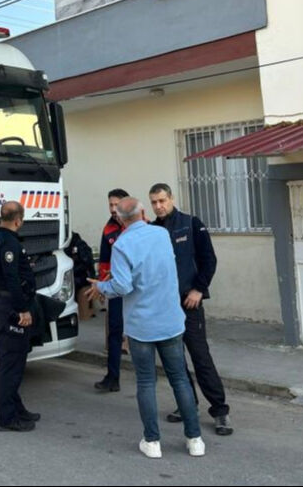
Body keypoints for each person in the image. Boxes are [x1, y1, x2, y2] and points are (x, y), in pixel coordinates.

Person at [89, 197, 205, 459]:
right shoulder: (162, 234)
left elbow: (123, 286)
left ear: (119, 219)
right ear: (143, 212)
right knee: (180, 379)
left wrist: (100, 287)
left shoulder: (121, 245)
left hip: (142, 325)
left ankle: (152, 441)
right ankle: (194, 438)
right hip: (171, 320)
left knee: (146, 382)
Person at [149, 183, 233, 436]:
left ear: (171, 198)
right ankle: (188, 404)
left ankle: (220, 411)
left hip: (189, 303)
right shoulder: (152, 231)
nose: (158, 206)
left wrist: (198, 289)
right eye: (153, 202)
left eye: (162, 200)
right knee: (175, 361)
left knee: (200, 357)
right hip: (165, 305)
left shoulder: (191, 223)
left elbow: (209, 260)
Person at [0, 201, 41, 432]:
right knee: (12, 364)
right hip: (12, 306)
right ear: (18, 220)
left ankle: (17, 408)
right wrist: (22, 310)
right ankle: (7, 418)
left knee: (15, 361)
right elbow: (12, 279)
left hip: (3, 301)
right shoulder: (9, 243)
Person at [95, 188, 129, 392]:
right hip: (116, 289)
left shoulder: (139, 225)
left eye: (117, 204)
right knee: (114, 333)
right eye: (110, 205)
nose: (113, 209)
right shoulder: (108, 229)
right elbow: (105, 261)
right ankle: (112, 377)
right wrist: (102, 287)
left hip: (137, 290)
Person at [64, 232, 97, 321]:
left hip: (80, 280)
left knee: (83, 316)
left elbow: (86, 264)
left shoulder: (79, 245)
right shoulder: (69, 244)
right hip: (74, 279)